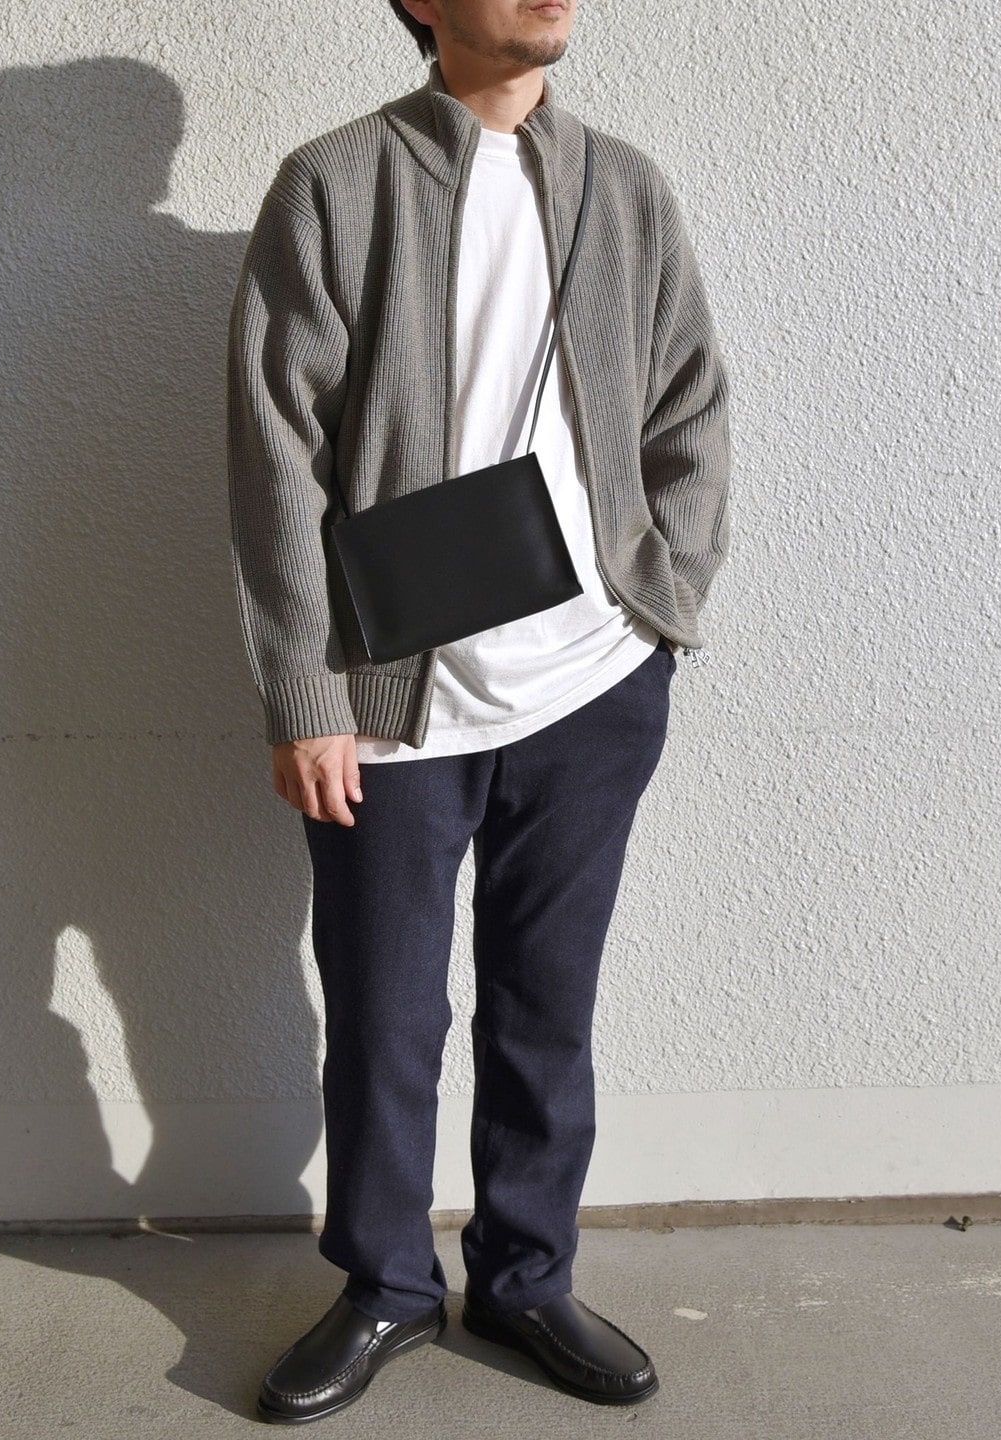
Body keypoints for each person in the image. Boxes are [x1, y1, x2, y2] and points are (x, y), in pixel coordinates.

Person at [227, 0, 731, 1423]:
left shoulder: (625, 188)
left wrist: (660, 603)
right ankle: (386, 1284)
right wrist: (306, 690)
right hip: (393, 697)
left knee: (545, 1003)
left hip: (593, 680)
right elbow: (275, 453)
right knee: (385, 1012)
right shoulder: (335, 185)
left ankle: (526, 1274)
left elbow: (691, 403)